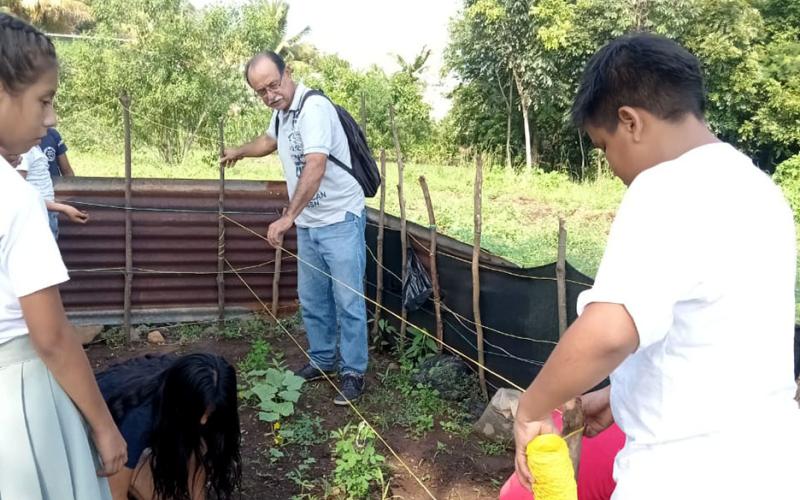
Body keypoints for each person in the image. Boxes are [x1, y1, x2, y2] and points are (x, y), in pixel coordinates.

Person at [513, 33, 800, 499]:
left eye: (603, 147)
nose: (612, 165)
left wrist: (531, 408)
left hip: (685, 475)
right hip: (773, 465)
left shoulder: (665, 187)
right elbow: (715, 337)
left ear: (630, 122)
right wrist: (622, 397)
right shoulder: (759, 189)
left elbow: (610, 332)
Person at [0, 13, 127, 500]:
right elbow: (51, 336)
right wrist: (103, 425)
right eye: (44, 101)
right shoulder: (16, 198)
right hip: (20, 396)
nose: (50, 119)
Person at [220, 51, 368, 405]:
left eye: (273, 85)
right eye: (261, 91)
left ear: (288, 73)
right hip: (310, 223)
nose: (271, 95)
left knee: (348, 300)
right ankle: (323, 359)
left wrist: (288, 216)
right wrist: (238, 151)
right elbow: (268, 141)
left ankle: (353, 373)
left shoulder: (313, 108)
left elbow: (315, 165)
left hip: (339, 218)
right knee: (314, 298)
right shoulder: (282, 115)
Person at [96, 353, 242, 500]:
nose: (204, 421)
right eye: (200, 411)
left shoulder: (191, 389)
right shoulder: (138, 418)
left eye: (210, 413)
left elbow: (198, 450)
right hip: (96, 440)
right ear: (181, 402)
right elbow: (115, 494)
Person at [16, 144, 88, 238]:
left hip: (46, 211)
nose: (47, 132)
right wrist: (64, 208)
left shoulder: (35, 149)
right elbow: (18, 192)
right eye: (44, 128)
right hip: (37, 215)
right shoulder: (25, 152)